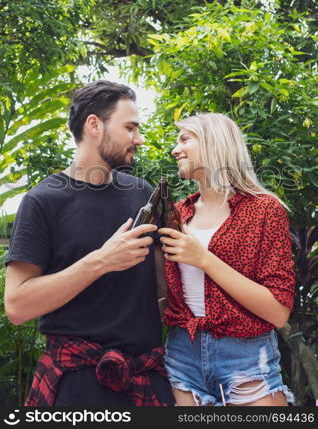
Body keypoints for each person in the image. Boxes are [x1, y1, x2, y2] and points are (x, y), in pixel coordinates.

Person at [4, 80, 175, 407]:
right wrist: (102, 261)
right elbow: (17, 306)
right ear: (94, 125)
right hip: (76, 383)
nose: (138, 138)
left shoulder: (142, 193)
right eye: (130, 127)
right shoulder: (43, 200)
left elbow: (165, 289)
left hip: (147, 377)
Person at [158, 113, 295, 406]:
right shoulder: (178, 214)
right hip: (182, 354)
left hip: (246, 357)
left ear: (213, 144)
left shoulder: (265, 211)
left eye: (184, 139)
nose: (175, 150)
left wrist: (204, 259)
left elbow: (278, 311)